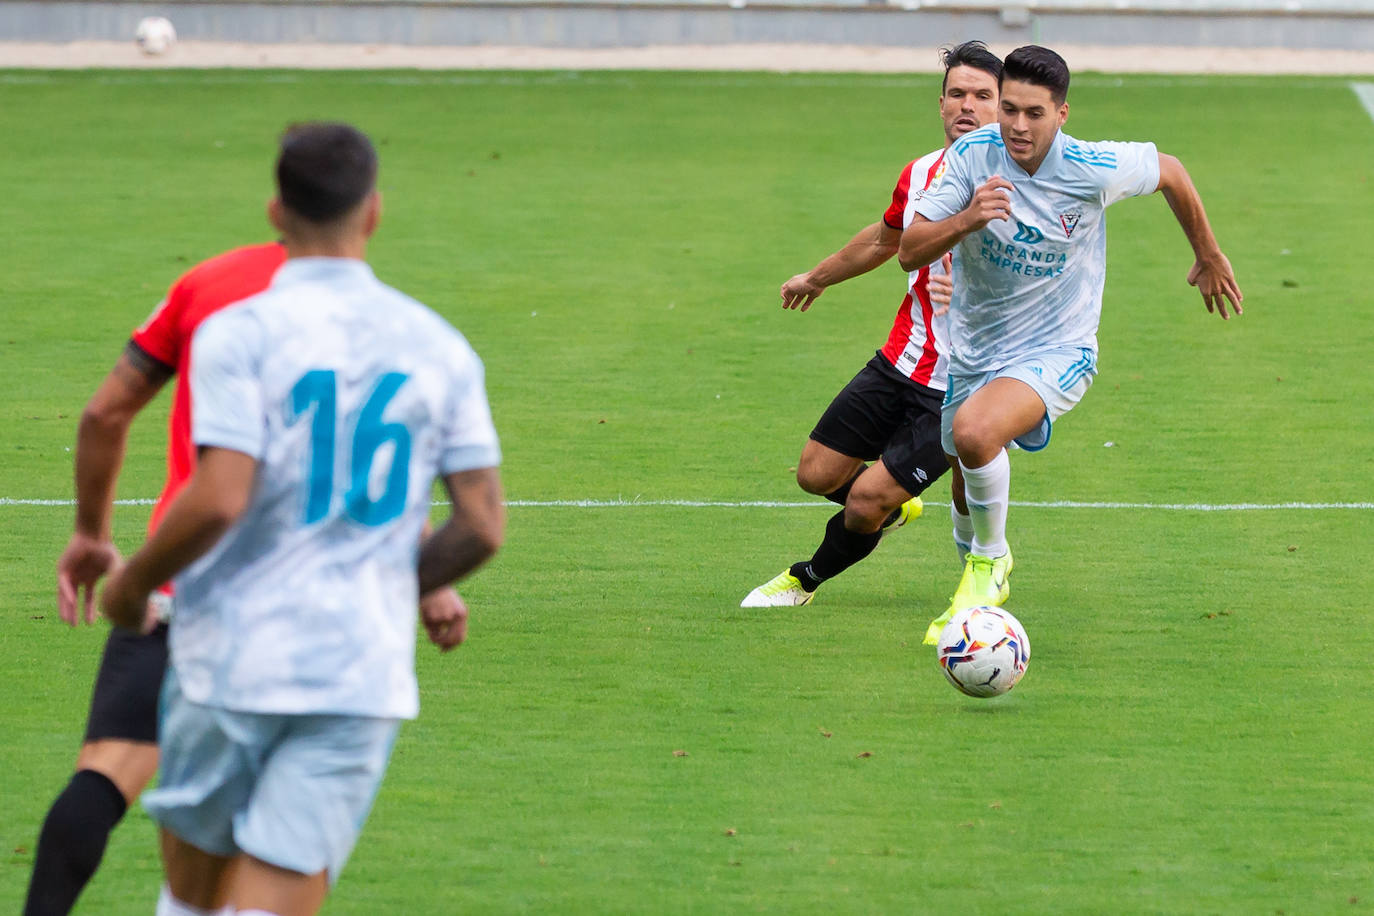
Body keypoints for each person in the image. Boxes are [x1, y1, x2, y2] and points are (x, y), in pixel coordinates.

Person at [98, 121, 505, 916]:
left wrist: (132, 584)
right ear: (374, 212)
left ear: (277, 212)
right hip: (358, 673)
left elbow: (218, 496)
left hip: (230, 661)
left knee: (192, 895)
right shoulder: (438, 345)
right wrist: (391, 582)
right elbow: (482, 525)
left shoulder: (238, 333)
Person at [898, 45, 1243, 644]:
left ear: (1062, 114)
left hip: (1061, 348)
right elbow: (910, 249)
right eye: (1008, 109)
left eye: (1034, 113)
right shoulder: (971, 158)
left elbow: (1173, 171)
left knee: (978, 435)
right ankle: (976, 611)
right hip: (976, 350)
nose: (1017, 126)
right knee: (962, 467)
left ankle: (990, 564)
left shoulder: (1092, 166)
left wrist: (1208, 254)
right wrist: (967, 220)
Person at [25, 239, 286, 916]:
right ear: (368, 211)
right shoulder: (362, 314)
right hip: (292, 603)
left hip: (175, 581)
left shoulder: (208, 285)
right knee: (271, 829)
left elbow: (104, 412)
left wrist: (90, 532)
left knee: (106, 773)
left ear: (280, 206)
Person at [741, 41, 1003, 608]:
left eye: (983, 96)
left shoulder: (1019, 188)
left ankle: (804, 578)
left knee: (863, 502)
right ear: (940, 105)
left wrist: (974, 295)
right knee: (814, 473)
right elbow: (886, 240)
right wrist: (819, 276)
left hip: (964, 382)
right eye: (957, 93)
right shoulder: (921, 173)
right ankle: (897, 504)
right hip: (901, 360)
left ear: (1003, 108)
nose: (967, 105)